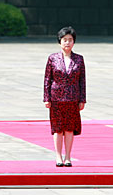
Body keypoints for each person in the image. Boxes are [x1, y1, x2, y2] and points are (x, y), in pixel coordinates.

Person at [43, 26, 86, 167]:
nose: (67, 43)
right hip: (56, 98)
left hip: (73, 98)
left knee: (69, 129)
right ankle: (58, 156)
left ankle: (68, 157)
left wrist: (82, 99)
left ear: (74, 42)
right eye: (64, 40)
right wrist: (46, 98)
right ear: (59, 42)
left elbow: (82, 81)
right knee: (57, 129)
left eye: (70, 40)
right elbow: (47, 79)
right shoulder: (52, 58)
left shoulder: (79, 59)